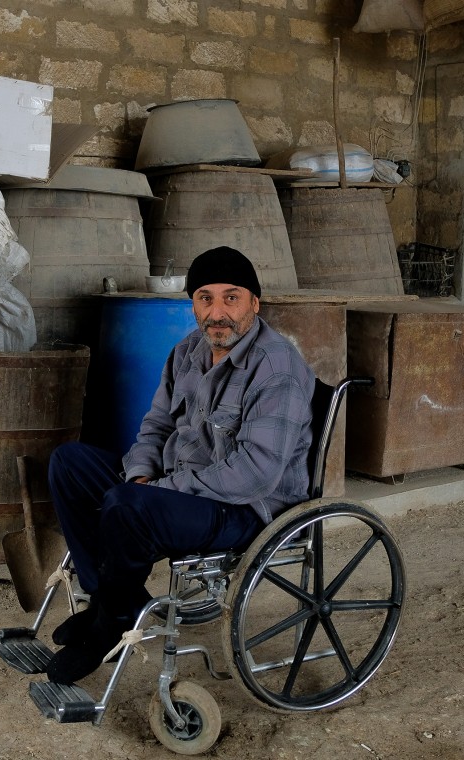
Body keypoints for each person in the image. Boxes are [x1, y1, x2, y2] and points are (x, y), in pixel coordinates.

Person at [45, 246, 316, 686]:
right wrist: (140, 475)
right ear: (193, 304)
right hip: (182, 485)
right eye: (205, 298)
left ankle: (105, 628)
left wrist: (163, 490)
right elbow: (155, 425)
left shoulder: (275, 368)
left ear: (255, 303)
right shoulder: (189, 350)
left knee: (128, 507)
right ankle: (112, 599)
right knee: (70, 463)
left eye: (232, 297)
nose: (218, 312)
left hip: (245, 508)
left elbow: (256, 473)